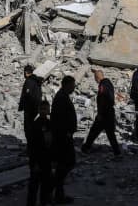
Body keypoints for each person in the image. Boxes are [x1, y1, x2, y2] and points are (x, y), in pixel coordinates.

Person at [81, 70, 121, 156]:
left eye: (95, 79)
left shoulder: (102, 85)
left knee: (94, 131)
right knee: (110, 134)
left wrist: (100, 113)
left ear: (97, 77)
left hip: (104, 114)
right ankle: (117, 152)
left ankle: (85, 148)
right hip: (110, 112)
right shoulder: (109, 84)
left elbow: (102, 99)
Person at [51, 76, 77, 205]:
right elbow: (59, 119)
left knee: (64, 165)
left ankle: (58, 194)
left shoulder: (62, 96)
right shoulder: (61, 98)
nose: (74, 87)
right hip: (62, 138)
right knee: (67, 163)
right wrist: (65, 133)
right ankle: (54, 189)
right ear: (66, 85)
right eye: (72, 85)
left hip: (63, 136)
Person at [27, 100, 53, 206]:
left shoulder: (50, 124)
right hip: (37, 160)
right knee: (34, 186)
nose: (43, 111)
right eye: (41, 109)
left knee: (45, 186)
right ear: (38, 110)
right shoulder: (35, 125)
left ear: (48, 110)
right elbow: (32, 146)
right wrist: (34, 163)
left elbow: (52, 143)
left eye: (45, 109)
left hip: (47, 160)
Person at [19, 64, 43, 143]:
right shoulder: (37, 81)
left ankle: (30, 148)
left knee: (28, 129)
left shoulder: (29, 81)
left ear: (26, 72)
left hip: (30, 109)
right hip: (36, 108)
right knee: (33, 128)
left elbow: (28, 96)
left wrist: (24, 106)